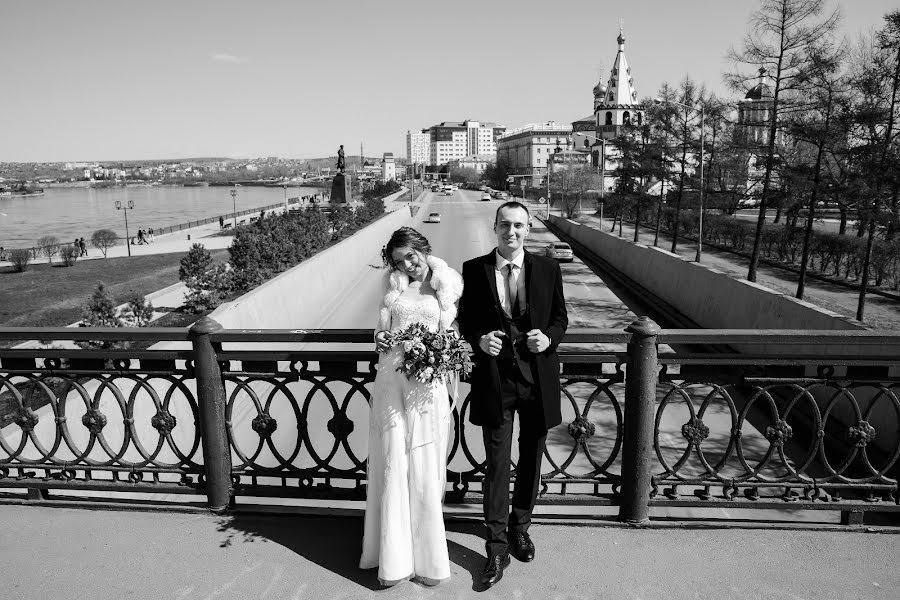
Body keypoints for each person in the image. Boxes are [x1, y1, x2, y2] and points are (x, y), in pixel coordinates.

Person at [457, 201, 568, 589]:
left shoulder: (549, 268)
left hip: (536, 378)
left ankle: (522, 526)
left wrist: (548, 337)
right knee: (497, 463)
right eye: (505, 225)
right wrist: (478, 338)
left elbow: (560, 318)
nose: (512, 232)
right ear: (495, 228)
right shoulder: (475, 269)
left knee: (532, 458)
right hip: (496, 380)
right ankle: (497, 544)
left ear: (528, 230)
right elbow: (466, 319)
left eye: (519, 225)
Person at [360, 226, 463, 587]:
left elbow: (453, 333)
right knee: (393, 461)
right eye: (400, 259)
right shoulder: (393, 287)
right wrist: (381, 336)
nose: (408, 263)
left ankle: (429, 561)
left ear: (424, 248)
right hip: (391, 380)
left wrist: (438, 355)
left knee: (422, 463)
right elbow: (379, 330)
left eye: (412, 255)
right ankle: (392, 559)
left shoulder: (448, 283)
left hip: (427, 387)